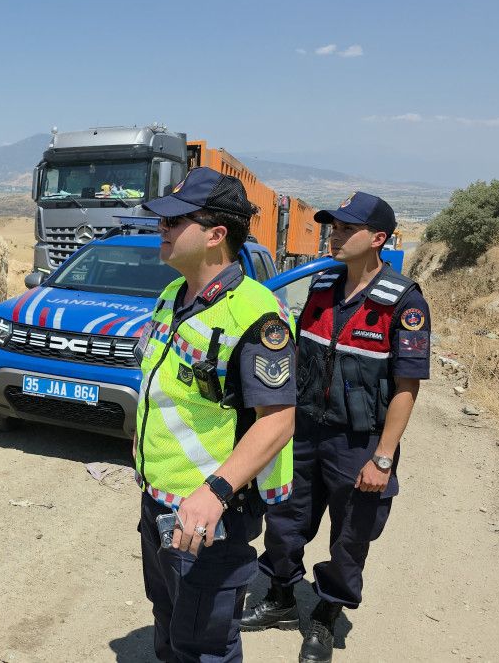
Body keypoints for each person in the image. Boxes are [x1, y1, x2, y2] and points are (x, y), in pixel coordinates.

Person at [241, 192, 431, 663]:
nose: (335, 234)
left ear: (378, 239)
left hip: (358, 442)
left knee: (350, 536)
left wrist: (383, 458)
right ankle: (282, 597)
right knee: (285, 519)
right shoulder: (323, 287)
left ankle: (326, 615)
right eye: (334, 226)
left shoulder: (403, 302)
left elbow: (407, 386)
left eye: (347, 228)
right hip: (303, 430)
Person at [135, 166, 297, 662]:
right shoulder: (172, 295)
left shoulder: (256, 314)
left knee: (205, 645)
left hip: (211, 513)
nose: (160, 229)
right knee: (168, 621)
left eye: (172, 221)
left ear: (214, 235)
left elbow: (278, 420)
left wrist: (216, 492)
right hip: (160, 502)